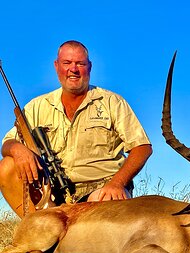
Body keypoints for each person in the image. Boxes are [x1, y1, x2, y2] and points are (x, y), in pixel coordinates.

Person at [0, 40, 152, 217]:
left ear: (90, 67)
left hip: (101, 191)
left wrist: (117, 183)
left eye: (80, 63)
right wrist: (17, 149)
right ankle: (38, 230)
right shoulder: (37, 106)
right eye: (67, 63)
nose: (73, 69)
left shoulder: (112, 102)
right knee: (7, 165)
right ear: (57, 66)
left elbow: (142, 147)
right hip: (54, 193)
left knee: (104, 204)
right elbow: (7, 143)